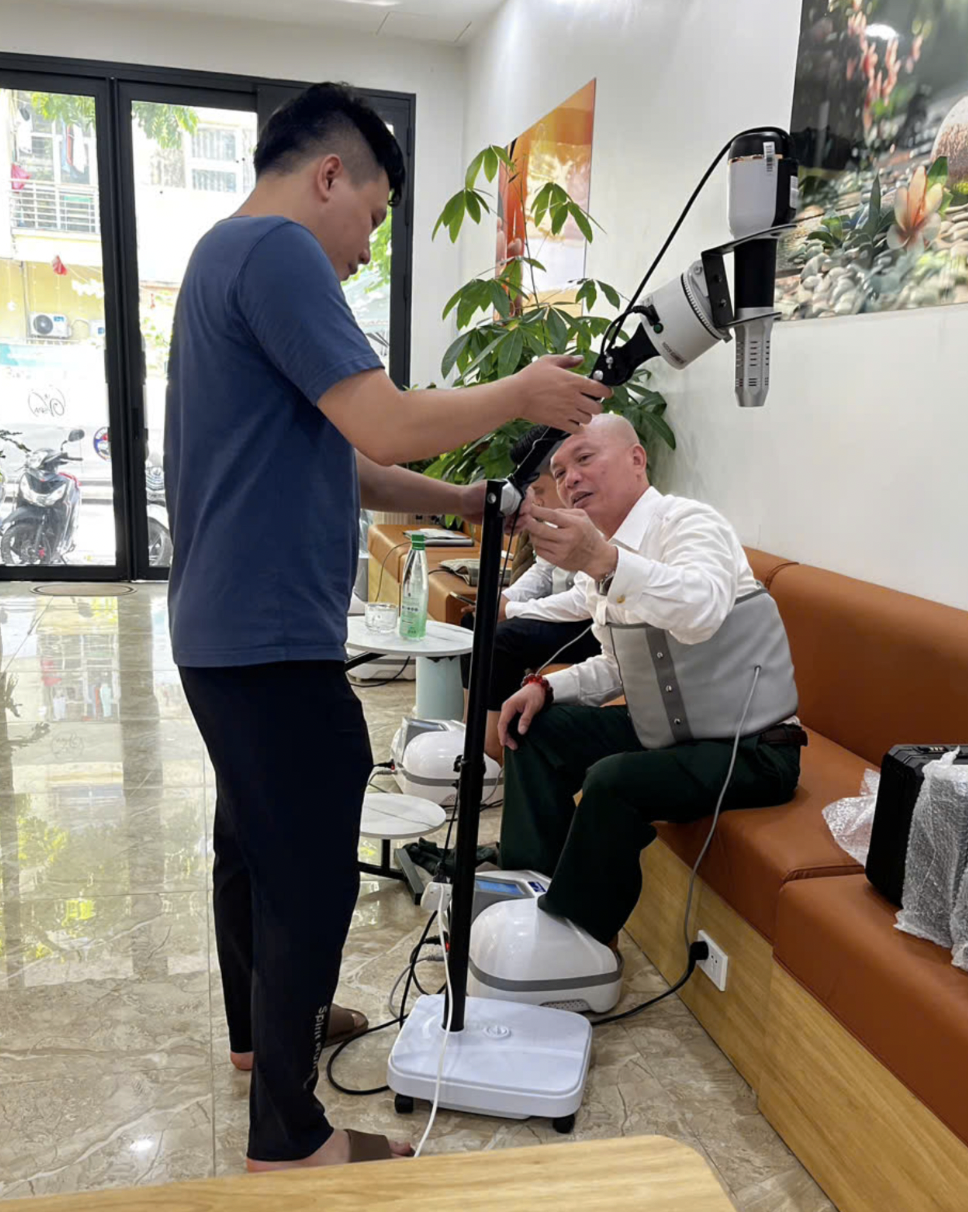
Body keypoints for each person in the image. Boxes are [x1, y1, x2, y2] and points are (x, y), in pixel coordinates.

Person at [164, 82, 610, 1173]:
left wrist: (464, 502)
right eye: (371, 217)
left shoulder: (221, 257)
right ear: (329, 175)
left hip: (224, 628)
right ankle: (289, 1136)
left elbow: (351, 459)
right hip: (269, 638)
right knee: (312, 870)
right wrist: (518, 392)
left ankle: (261, 1035)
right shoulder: (279, 253)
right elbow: (387, 415)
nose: (366, 250)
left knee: (251, 846)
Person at [497, 414, 805, 947]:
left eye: (584, 458)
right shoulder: (603, 554)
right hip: (665, 730)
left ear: (637, 460)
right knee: (534, 731)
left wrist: (605, 561)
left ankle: (578, 939)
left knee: (613, 781)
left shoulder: (690, 524)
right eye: (560, 471)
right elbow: (619, 666)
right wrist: (545, 688)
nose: (569, 479)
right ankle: (530, 890)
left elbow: (701, 610)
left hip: (752, 747)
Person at [459, 426, 601, 761]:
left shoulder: (598, 514)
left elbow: (582, 602)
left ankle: (490, 754)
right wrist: (502, 601)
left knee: (501, 640)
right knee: (474, 625)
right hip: (562, 614)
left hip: (590, 624)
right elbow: (543, 570)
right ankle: (470, 730)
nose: (533, 500)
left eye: (538, 490)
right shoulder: (557, 516)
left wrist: (512, 611)